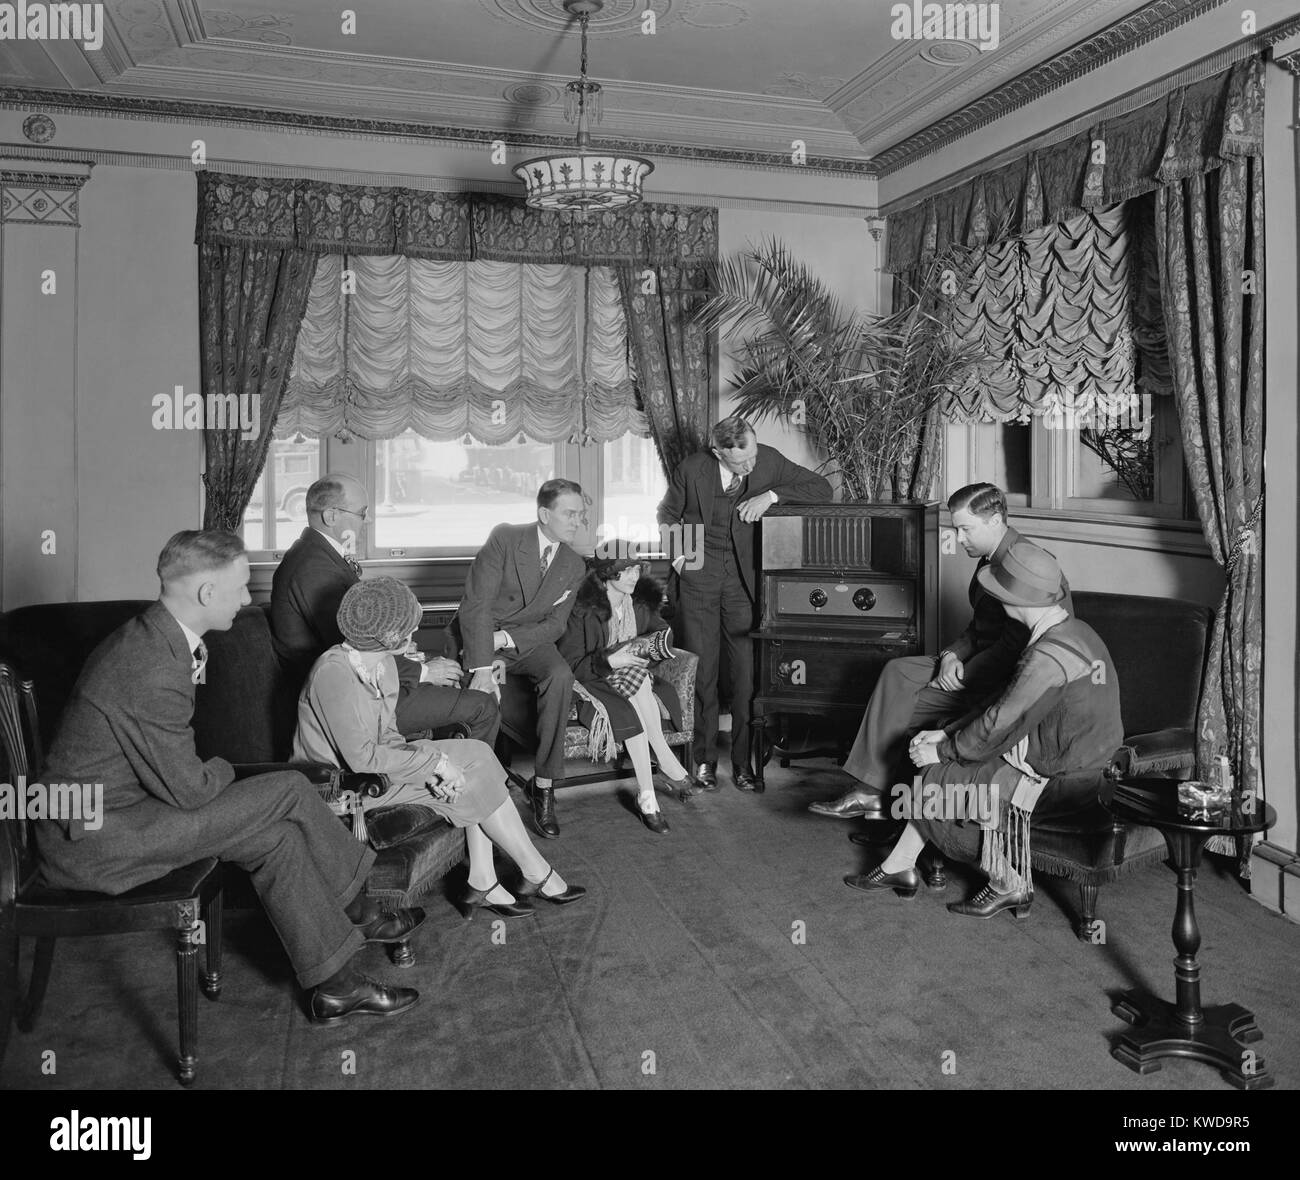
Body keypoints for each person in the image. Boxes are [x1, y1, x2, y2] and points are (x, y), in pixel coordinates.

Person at [33, 530, 424, 1025]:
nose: (247, 598)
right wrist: (221, 766)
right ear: (206, 593)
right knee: (290, 785)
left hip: (126, 810)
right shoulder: (149, 664)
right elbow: (190, 789)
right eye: (241, 586)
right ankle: (358, 908)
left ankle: (337, 986)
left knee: (277, 837)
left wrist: (206, 771)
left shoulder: (158, 638)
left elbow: (173, 774)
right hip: (97, 839)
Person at [844, 542, 1121, 920]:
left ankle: (1009, 883)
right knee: (940, 748)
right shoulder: (1072, 629)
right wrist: (946, 735)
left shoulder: (1046, 658)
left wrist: (942, 751)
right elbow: (1004, 707)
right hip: (1070, 755)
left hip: (1067, 776)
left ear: (1016, 600)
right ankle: (900, 865)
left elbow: (1000, 722)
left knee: (942, 777)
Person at [294, 577, 585, 918]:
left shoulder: (382, 663)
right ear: (388, 636)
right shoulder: (334, 673)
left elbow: (388, 738)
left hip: (377, 766)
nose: (414, 636)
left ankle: (492, 878)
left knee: (479, 755)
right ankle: (528, 875)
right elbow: (361, 758)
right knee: (468, 769)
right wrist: (435, 766)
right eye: (409, 630)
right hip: (343, 786)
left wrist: (434, 763)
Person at [809, 483, 1072, 823]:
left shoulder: (1022, 562)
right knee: (897, 672)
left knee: (902, 704)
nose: (959, 539)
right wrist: (951, 655)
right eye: (957, 529)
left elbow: (1014, 648)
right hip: (979, 660)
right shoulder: (993, 556)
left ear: (994, 522)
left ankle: (876, 794)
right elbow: (979, 628)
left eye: (966, 529)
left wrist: (965, 673)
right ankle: (873, 792)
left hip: (1006, 679)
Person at [658, 414, 832, 792]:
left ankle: (744, 763)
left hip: (743, 582)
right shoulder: (692, 468)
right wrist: (679, 561)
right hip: (698, 580)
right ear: (717, 452)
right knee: (702, 674)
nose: (750, 465)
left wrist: (771, 495)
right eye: (740, 462)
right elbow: (667, 515)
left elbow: (822, 488)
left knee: (745, 677)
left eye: (751, 455)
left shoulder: (768, 459)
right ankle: (704, 761)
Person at [270, 474, 499, 745]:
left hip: (362, 685)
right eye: (361, 513)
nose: (367, 521)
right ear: (331, 516)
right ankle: (472, 783)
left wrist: (418, 668)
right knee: (483, 705)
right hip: (353, 699)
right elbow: (354, 649)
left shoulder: (316, 554)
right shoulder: (314, 567)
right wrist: (424, 672)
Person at [444, 479, 587, 839]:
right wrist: (481, 667)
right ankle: (480, 794)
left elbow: (555, 625)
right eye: (570, 514)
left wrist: (507, 640)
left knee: (560, 675)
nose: (578, 522)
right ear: (544, 514)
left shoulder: (574, 564)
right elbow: (476, 606)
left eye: (581, 515)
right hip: (478, 636)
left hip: (525, 641)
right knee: (481, 703)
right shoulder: (506, 539)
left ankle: (544, 785)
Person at [558, 541, 698, 834]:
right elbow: (571, 664)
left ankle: (648, 795)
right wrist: (611, 661)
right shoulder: (582, 610)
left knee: (637, 683)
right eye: (626, 570)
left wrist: (648, 647)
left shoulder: (638, 602)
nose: (634, 575)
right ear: (608, 573)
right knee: (637, 688)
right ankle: (662, 768)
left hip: (633, 679)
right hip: (594, 680)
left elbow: (662, 633)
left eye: (637, 568)